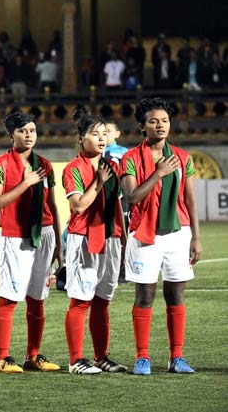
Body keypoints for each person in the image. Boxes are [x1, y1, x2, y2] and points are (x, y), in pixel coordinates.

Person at [120, 97, 201, 375]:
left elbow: (190, 200)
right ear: (142, 126)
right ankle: (142, 357)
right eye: (153, 121)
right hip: (145, 234)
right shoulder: (131, 158)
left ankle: (176, 357)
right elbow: (131, 197)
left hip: (178, 233)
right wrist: (158, 173)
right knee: (145, 296)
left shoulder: (183, 157)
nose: (160, 125)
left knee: (176, 295)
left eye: (164, 120)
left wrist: (196, 238)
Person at [0, 111, 63, 374]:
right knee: (10, 297)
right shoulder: (0, 164)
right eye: (22, 131)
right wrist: (25, 183)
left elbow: (52, 205)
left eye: (32, 130)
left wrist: (59, 245)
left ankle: (33, 356)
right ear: (11, 136)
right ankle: (2, 358)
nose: (29, 135)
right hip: (15, 236)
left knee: (37, 298)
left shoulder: (45, 164)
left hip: (45, 234)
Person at [61, 110, 128, 375]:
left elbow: (117, 205)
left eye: (104, 134)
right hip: (85, 238)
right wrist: (98, 182)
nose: (101, 139)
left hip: (111, 238)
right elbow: (78, 206)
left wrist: (123, 239)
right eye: (94, 134)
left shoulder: (112, 166)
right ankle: (76, 360)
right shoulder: (73, 169)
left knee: (102, 300)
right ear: (81, 138)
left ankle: (101, 357)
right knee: (80, 300)